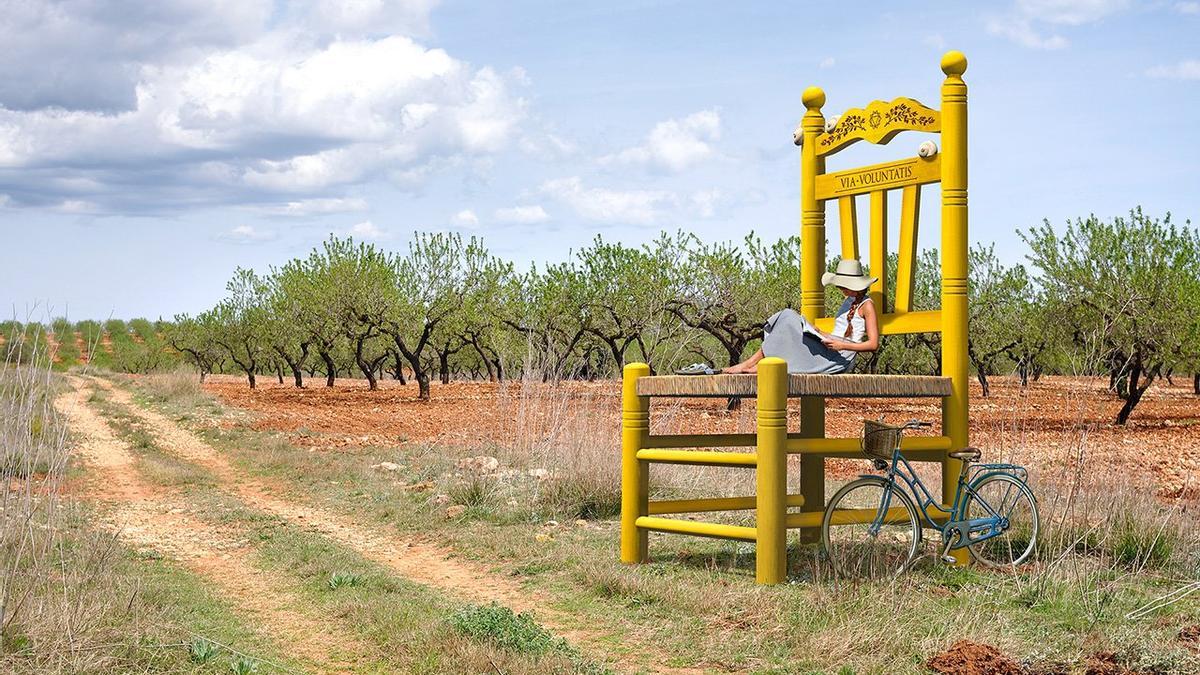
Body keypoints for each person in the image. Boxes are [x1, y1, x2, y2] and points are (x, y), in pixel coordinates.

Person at [677, 259, 879, 375]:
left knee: (788, 316)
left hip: (842, 359)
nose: (841, 289)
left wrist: (843, 346)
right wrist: (820, 332)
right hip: (833, 347)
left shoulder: (866, 305)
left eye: (843, 285)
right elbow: (839, 334)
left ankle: (750, 365)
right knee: (788, 318)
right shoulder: (847, 303)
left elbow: (872, 344)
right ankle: (751, 364)